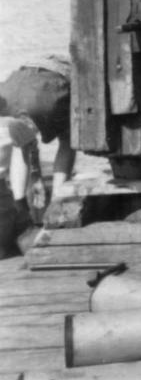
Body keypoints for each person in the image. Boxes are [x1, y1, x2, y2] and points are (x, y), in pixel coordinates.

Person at [0, 54, 77, 258]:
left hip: (9, 89)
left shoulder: (27, 68)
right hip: (47, 92)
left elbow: (28, 143)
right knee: (68, 141)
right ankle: (57, 202)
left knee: (21, 142)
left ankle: (19, 206)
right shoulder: (71, 69)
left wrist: (36, 175)